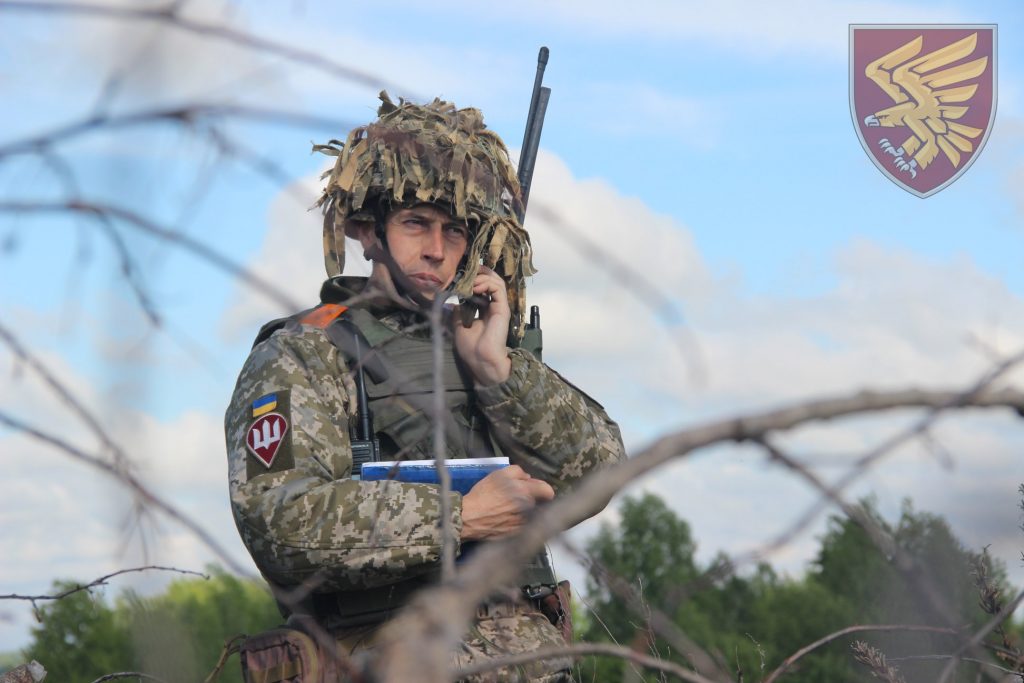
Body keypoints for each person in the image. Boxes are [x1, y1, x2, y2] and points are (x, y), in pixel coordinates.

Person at [225, 93, 626, 681]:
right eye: (416, 224)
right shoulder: (304, 353)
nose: (436, 251)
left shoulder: (480, 344)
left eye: (455, 232)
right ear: (366, 228)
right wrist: (457, 516)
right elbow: (280, 522)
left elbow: (600, 473)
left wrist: (499, 373)